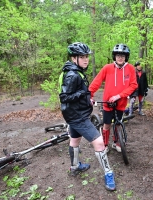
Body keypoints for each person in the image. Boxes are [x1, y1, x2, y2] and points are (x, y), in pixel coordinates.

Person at [59, 42, 116, 191]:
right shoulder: (72, 75)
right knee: (99, 143)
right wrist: (83, 94)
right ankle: (108, 173)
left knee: (75, 140)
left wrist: (86, 99)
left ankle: (75, 167)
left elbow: (73, 96)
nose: (86, 60)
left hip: (73, 114)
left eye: (86, 57)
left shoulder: (73, 71)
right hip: (78, 117)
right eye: (82, 57)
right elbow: (65, 97)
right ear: (73, 58)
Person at [89, 44, 138, 153]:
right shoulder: (107, 68)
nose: (120, 58)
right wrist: (89, 94)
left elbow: (134, 85)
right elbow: (97, 81)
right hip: (108, 102)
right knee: (106, 124)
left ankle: (117, 142)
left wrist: (119, 95)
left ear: (126, 57)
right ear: (114, 56)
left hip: (121, 102)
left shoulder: (130, 68)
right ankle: (105, 145)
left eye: (123, 56)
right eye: (118, 55)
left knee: (118, 122)